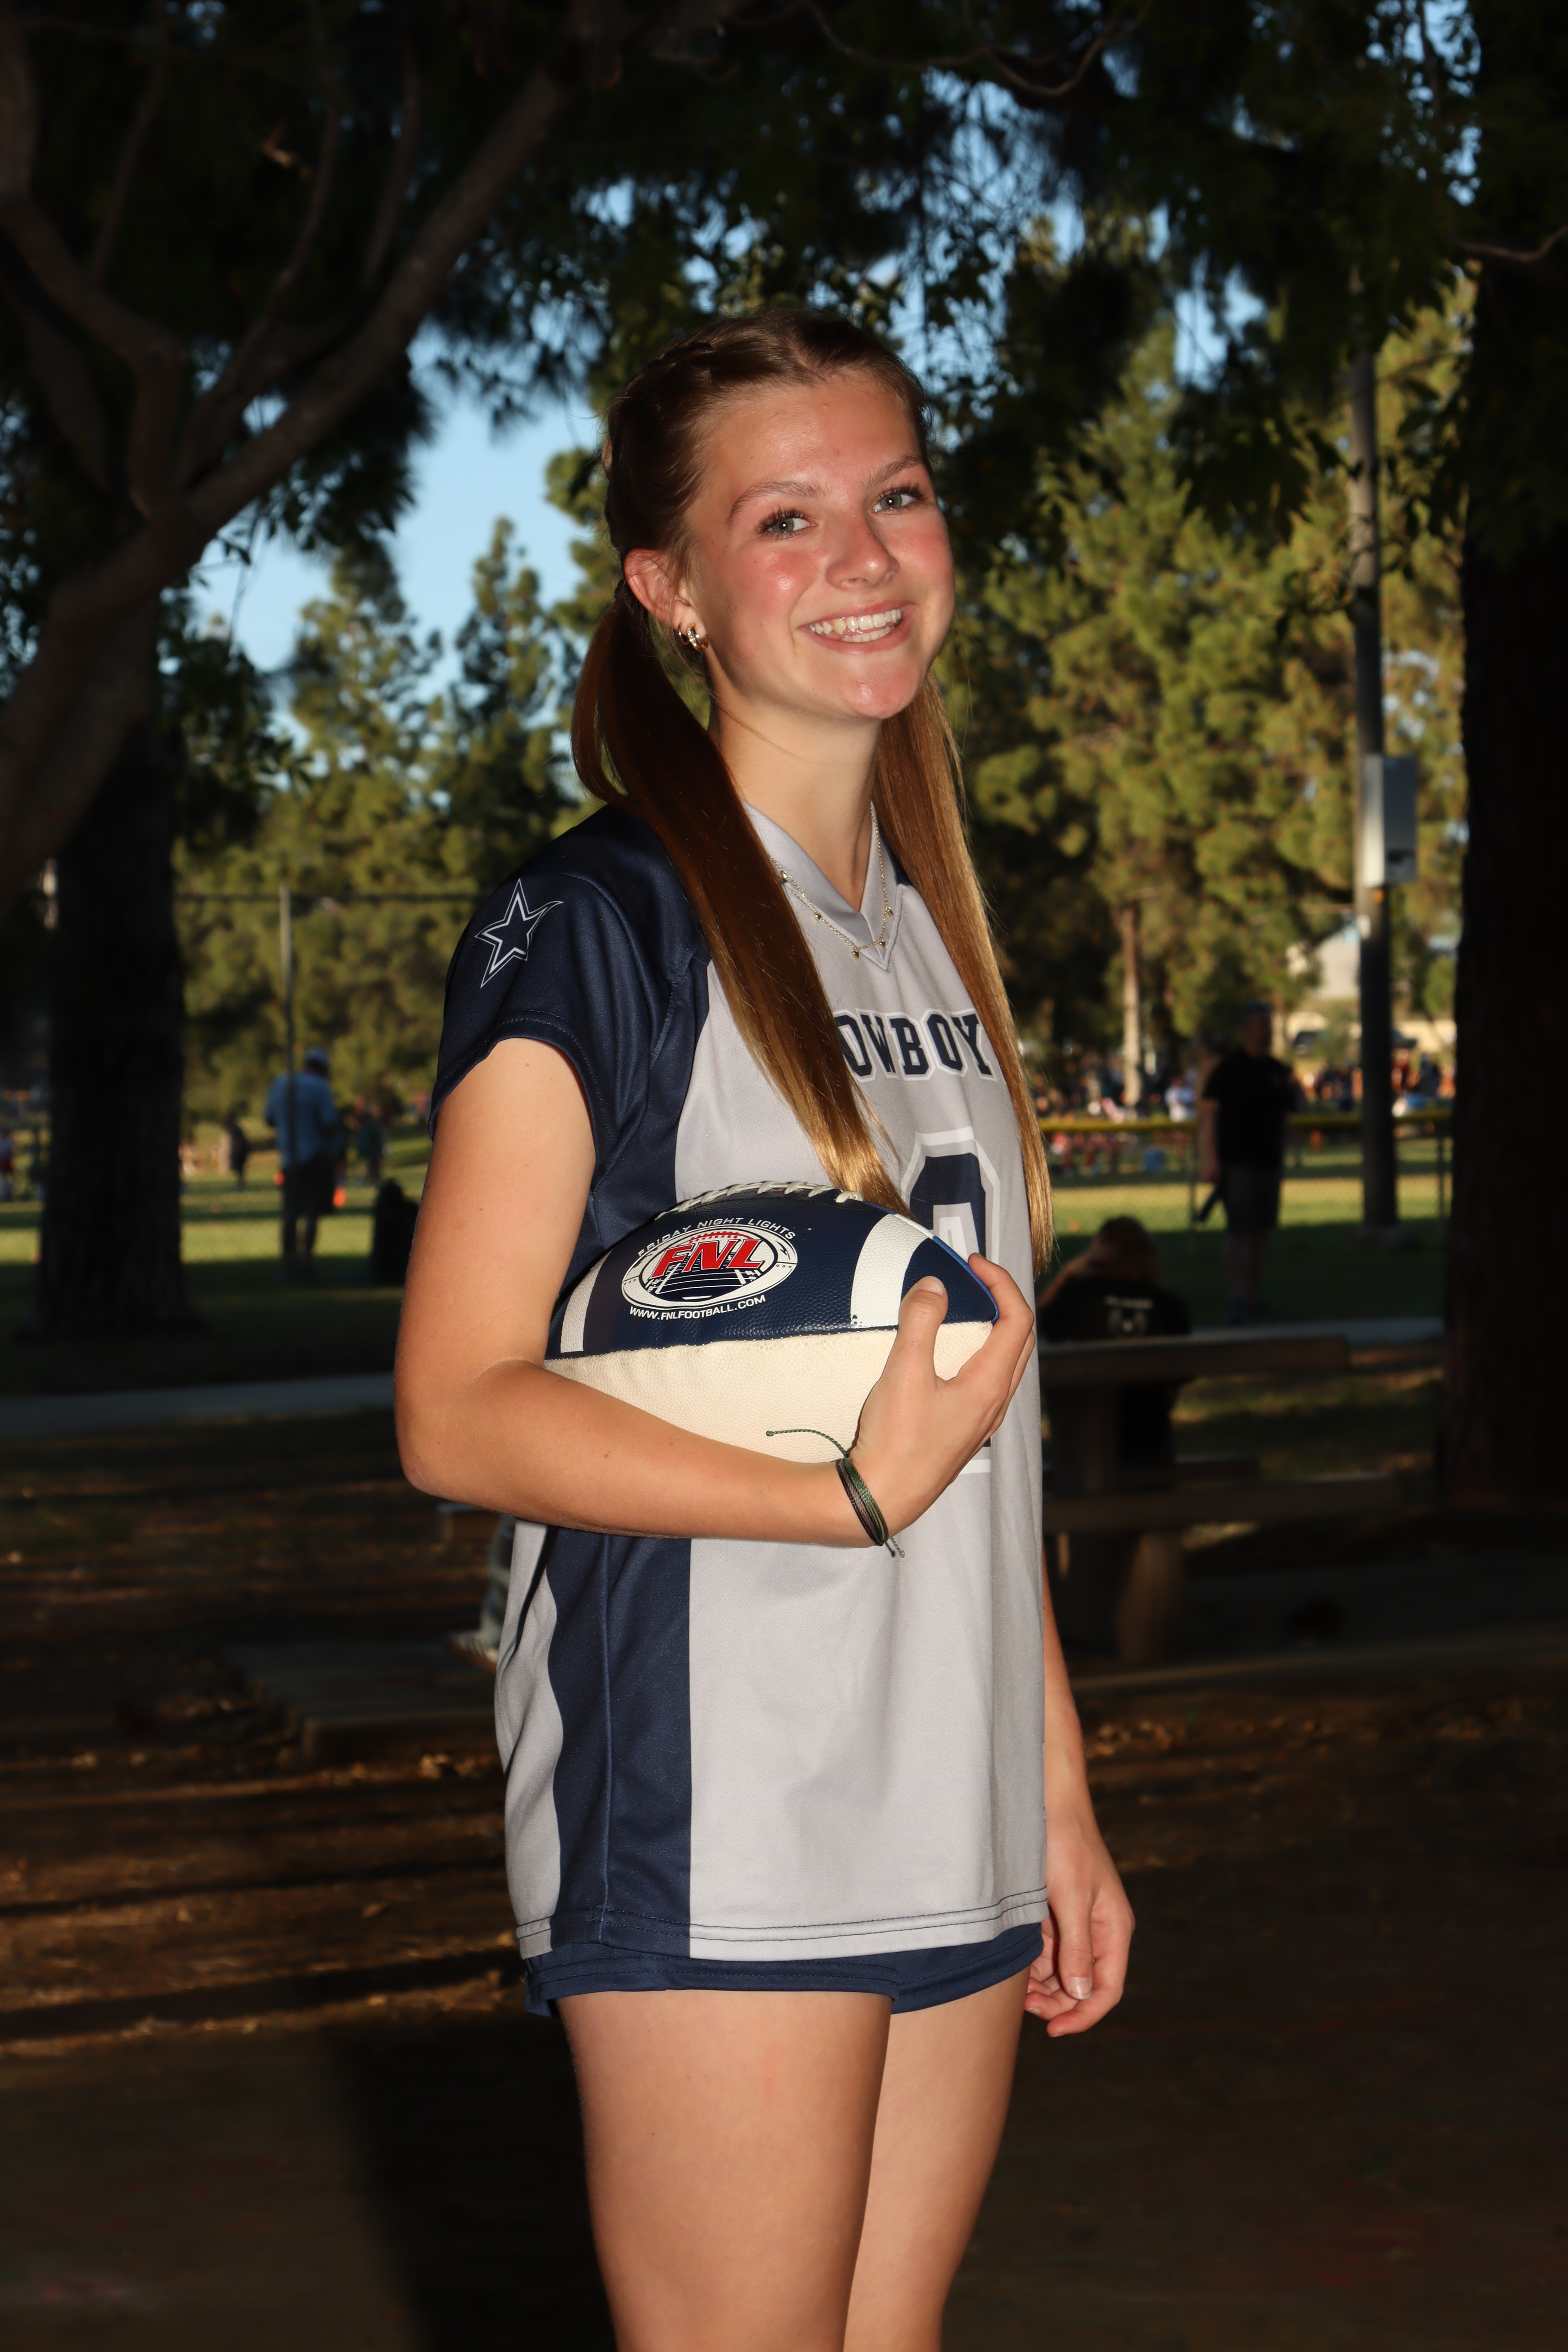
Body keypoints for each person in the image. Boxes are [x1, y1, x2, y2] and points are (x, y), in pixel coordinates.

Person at [396, 310, 1133, 2352]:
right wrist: (833, 1500)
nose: (865, 557)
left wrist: (1056, 1789)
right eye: (785, 519)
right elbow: (455, 1410)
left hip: (950, 1783)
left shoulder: (928, 933)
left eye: (896, 495)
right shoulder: (602, 921)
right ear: (671, 591)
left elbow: (980, 1427)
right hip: (723, 1799)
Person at [1038, 1215, 1191, 1468]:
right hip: (1148, 1438)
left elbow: (1033, 1326)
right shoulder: (1169, 1306)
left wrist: (1070, 1272)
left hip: (1083, 1437)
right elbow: (1172, 1391)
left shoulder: (1077, 1296)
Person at [1200, 1001, 1298, 1323]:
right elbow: (1210, 1114)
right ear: (1247, 1029)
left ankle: (1253, 1300)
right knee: (1240, 1232)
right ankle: (1237, 1300)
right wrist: (1212, 1158)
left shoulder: (1275, 1070)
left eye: (1268, 1023)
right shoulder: (1230, 1069)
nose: (1266, 1030)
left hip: (1269, 1160)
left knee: (1260, 1233)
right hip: (1238, 1163)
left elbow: (1286, 1115)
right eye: (1261, 1023)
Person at [263, 1047, 340, 1274]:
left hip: (289, 1157)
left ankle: (287, 1261)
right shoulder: (320, 1087)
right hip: (316, 1156)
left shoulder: (280, 1084)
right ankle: (306, 1261)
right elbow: (329, 1124)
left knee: (290, 1212)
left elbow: (269, 1118)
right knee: (312, 1213)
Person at [223, 1113, 251, 1188]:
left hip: (241, 1152)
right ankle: (240, 1184)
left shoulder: (235, 1129)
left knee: (239, 1169)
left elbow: (239, 1142)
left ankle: (241, 1184)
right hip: (242, 1151)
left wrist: (237, 1152)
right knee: (239, 1170)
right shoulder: (235, 1129)